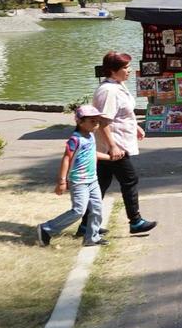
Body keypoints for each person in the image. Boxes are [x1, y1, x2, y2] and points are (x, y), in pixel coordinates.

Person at [89, 52, 156, 236]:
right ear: (112, 71)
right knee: (130, 179)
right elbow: (103, 121)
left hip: (117, 143)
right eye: (125, 68)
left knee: (100, 184)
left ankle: (87, 224)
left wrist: (135, 127)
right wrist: (113, 146)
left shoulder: (117, 85)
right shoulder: (108, 91)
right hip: (114, 146)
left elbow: (122, 112)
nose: (129, 71)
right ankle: (135, 221)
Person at [38, 106, 112, 247]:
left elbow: (92, 154)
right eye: (92, 121)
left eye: (98, 120)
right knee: (79, 210)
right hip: (79, 182)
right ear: (80, 122)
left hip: (92, 180)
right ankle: (46, 229)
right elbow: (66, 158)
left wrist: (110, 157)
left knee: (96, 209)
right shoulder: (75, 139)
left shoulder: (90, 136)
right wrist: (62, 181)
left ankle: (92, 237)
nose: (96, 123)